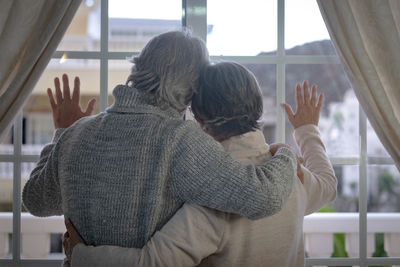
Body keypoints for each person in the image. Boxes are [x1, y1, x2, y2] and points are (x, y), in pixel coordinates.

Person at [22, 30, 298, 259]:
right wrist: (286, 152)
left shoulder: (77, 133)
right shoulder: (180, 141)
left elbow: (35, 201)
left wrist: (62, 131)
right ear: (191, 87)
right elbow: (266, 197)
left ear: (139, 66)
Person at [64, 62, 337, 267]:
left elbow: (152, 262)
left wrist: (81, 255)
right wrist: (307, 130)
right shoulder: (290, 173)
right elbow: (327, 186)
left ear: (201, 123)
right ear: (257, 109)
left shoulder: (213, 195)